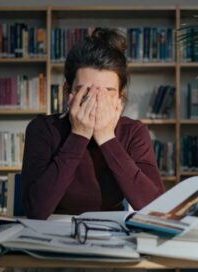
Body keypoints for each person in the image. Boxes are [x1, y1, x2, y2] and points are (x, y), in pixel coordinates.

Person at [21, 28, 165, 220]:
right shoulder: (43, 129)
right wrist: (79, 135)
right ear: (68, 91)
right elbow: (35, 210)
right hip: (53, 231)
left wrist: (107, 137)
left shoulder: (133, 132)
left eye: (107, 92)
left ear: (120, 97)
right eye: (86, 91)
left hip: (112, 235)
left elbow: (155, 208)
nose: (96, 101)